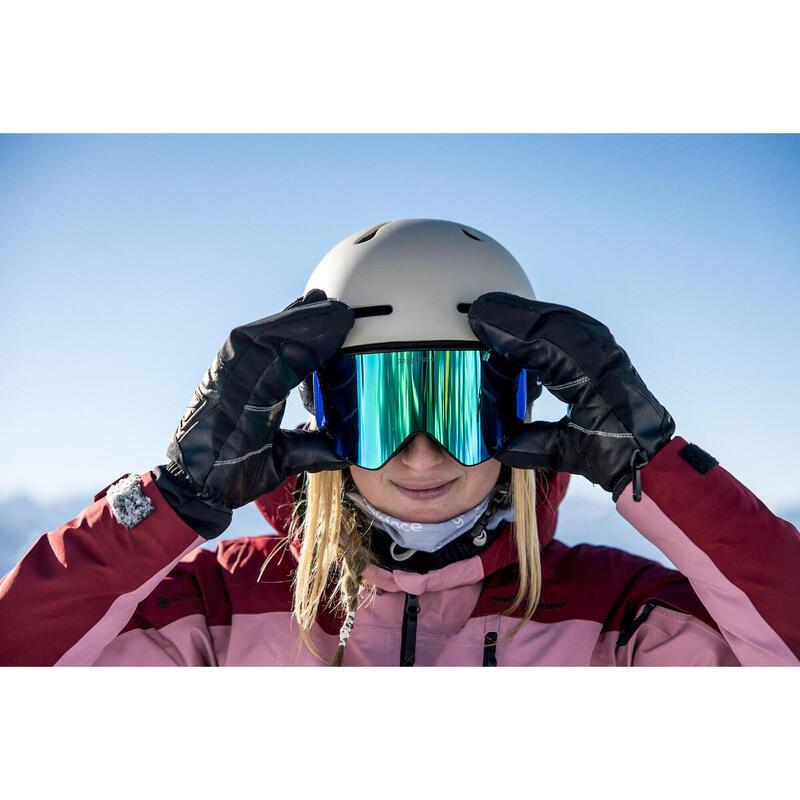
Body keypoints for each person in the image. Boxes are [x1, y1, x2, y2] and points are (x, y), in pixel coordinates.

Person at [1, 218, 798, 667]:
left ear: (524, 413)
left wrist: (656, 468)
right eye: (378, 414)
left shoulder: (624, 620)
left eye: (462, 409)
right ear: (321, 418)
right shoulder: (209, 612)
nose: (421, 455)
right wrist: (172, 500)